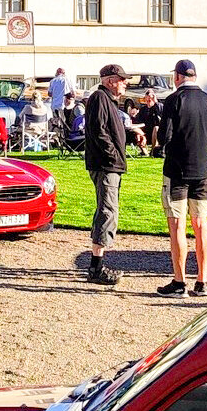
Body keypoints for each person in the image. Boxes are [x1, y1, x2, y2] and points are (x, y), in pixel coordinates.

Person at [156, 59, 207, 299]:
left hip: (177, 172)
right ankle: (202, 281)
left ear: (177, 77)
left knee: (177, 226)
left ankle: (179, 281)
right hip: (202, 171)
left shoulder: (174, 100)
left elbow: (165, 135)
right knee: (201, 224)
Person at [83, 64, 130, 286]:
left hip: (109, 163)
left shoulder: (106, 100)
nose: (125, 83)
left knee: (107, 208)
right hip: (106, 165)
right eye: (122, 79)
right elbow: (100, 132)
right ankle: (96, 267)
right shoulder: (100, 98)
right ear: (110, 80)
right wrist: (112, 156)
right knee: (107, 210)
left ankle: (97, 263)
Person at [135, 89, 164, 155]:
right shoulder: (143, 110)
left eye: (150, 100)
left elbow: (161, 116)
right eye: (147, 100)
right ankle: (144, 151)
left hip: (157, 132)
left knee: (156, 128)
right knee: (137, 131)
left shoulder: (159, 107)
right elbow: (139, 122)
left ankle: (153, 150)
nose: (148, 101)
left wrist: (155, 101)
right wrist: (140, 132)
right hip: (146, 131)